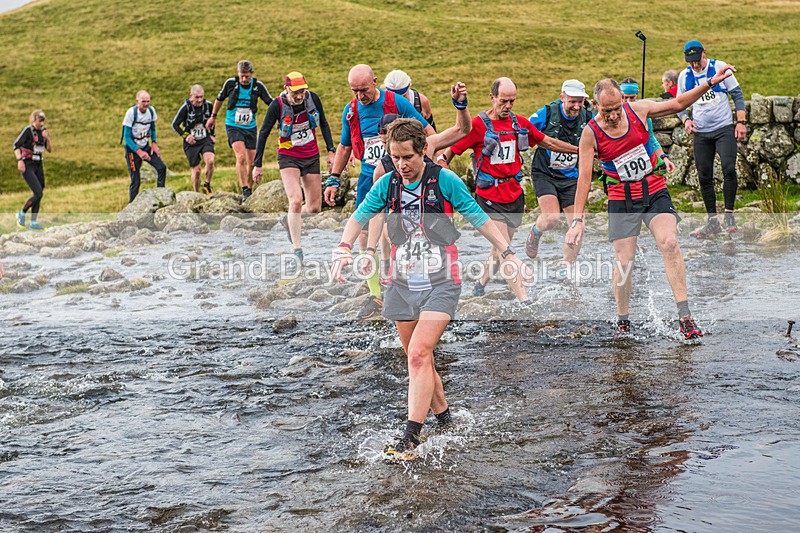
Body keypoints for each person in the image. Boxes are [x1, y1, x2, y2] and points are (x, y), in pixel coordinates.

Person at [331, 119, 527, 459]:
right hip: (401, 283)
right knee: (420, 358)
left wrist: (508, 253)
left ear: (423, 150)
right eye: (395, 158)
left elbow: (477, 216)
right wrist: (345, 247)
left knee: (419, 354)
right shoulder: (387, 184)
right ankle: (446, 420)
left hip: (441, 281)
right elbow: (359, 216)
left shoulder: (443, 180)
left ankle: (410, 437)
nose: (401, 165)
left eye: (407, 157)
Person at [565, 65, 737, 340]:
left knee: (669, 243)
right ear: (595, 105)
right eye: (606, 111)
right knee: (625, 262)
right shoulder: (590, 133)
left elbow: (678, 104)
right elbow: (584, 179)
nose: (613, 115)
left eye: (617, 108)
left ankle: (685, 317)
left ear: (622, 101)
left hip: (653, 189)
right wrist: (577, 219)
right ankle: (623, 320)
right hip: (621, 197)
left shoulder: (638, 110)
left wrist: (710, 83)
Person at [439, 78, 578, 300]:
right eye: (503, 101)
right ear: (492, 97)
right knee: (505, 249)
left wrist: (580, 150)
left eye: (512, 101)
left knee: (501, 248)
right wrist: (444, 178)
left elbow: (548, 142)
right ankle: (524, 298)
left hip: (514, 195)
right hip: (489, 197)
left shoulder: (519, 123)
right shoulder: (477, 125)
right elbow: (448, 154)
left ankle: (480, 284)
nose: (508, 106)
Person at [323, 64, 435, 320]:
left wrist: (427, 165)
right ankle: (375, 295)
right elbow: (345, 146)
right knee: (364, 236)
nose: (360, 95)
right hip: (369, 177)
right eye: (354, 91)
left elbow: (428, 133)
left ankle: (407, 283)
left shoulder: (396, 103)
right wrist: (334, 179)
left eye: (363, 89)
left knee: (399, 230)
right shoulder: (351, 110)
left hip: (400, 176)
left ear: (375, 81)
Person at [367, 82, 472, 295]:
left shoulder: (427, 145)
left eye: (406, 154)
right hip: (405, 234)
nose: (400, 161)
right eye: (390, 147)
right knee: (390, 223)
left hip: (435, 219)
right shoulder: (381, 171)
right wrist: (374, 252)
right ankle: (390, 274)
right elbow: (379, 215)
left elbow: (462, 130)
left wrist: (460, 106)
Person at [252, 71, 336, 264]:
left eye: (302, 92)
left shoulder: (312, 99)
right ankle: (297, 249)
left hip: (311, 155)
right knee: (296, 200)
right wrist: (257, 165)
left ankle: (287, 220)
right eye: (295, 92)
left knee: (314, 208)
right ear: (286, 89)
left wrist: (331, 151)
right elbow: (263, 133)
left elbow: (323, 123)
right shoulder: (277, 105)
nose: (299, 96)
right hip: (289, 156)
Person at [677, 40, 747, 237]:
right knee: (704, 175)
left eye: (697, 60)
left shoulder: (719, 67)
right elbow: (679, 104)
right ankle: (712, 221)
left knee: (728, 168)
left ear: (704, 53)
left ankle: (729, 216)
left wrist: (741, 122)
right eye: (690, 61)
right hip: (701, 133)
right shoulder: (684, 76)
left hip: (723, 128)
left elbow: (737, 95)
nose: (695, 65)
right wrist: (686, 120)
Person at [524, 80, 593, 272]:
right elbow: (524, 129)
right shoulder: (547, 113)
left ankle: (566, 267)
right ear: (562, 98)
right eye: (572, 102)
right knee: (551, 217)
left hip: (571, 176)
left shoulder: (588, 117)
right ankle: (536, 231)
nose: (576, 106)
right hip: (545, 172)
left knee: (578, 225)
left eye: (580, 102)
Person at [206, 60, 273, 199]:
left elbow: (270, 103)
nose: (244, 79)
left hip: (250, 127)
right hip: (233, 126)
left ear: (251, 74)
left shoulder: (258, 86)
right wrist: (213, 116)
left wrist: (280, 115)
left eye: (246, 76)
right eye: (241, 76)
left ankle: (249, 190)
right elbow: (219, 99)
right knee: (241, 156)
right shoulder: (231, 84)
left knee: (252, 161)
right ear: (238, 73)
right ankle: (244, 189)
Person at [620, 78, 676, 175]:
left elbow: (651, 138)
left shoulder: (643, 114)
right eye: (625, 98)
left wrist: (664, 158)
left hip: (641, 161)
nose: (628, 101)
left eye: (632, 97)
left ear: (636, 95)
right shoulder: (614, 115)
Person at [122, 91, 166, 203]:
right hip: (132, 150)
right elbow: (126, 137)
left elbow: (153, 128)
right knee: (136, 181)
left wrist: (154, 143)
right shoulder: (131, 113)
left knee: (161, 168)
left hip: (145, 146)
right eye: (143, 102)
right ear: (137, 101)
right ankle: (132, 207)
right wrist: (139, 152)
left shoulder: (151, 111)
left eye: (148, 101)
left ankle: (161, 197)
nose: (146, 104)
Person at [172, 85, 216, 194]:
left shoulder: (208, 105)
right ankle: (196, 193)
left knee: (210, 161)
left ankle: (207, 185)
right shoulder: (185, 108)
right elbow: (175, 125)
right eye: (197, 97)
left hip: (205, 138)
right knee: (196, 171)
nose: (200, 100)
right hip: (191, 142)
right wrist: (186, 136)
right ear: (191, 96)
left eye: (201, 97)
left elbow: (212, 120)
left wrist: (212, 134)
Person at [14, 110, 51, 230]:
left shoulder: (43, 132)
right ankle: (22, 213)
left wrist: (47, 138)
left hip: (38, 165)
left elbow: (49, 149)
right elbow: (16, 145)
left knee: (39, 193)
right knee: (38, 192)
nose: (42, 123)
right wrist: (20, 160)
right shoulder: (28, 130)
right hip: (27, 165)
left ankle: (33, 222)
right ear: (34, 120)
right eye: (40, 121)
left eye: (43, 121)